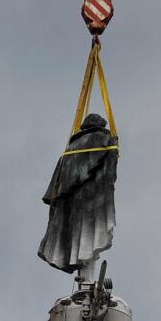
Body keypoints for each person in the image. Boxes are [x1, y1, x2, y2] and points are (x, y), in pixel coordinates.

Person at [38, 113, 119, 275]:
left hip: (70, 204)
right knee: (87, 234)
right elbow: (109, 169)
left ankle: (76, 259)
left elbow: (56, 186)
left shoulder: (70, 148)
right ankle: (82, 262)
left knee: (74, 235)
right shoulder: (102, 139)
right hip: (91, 198)